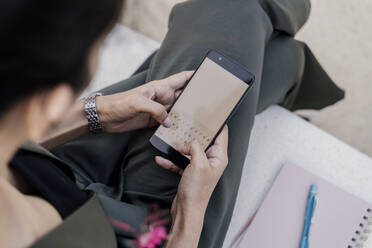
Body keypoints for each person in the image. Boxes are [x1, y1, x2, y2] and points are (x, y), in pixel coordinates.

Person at [0, 0, 344, 248]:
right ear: (49, 101)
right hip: (152, 232)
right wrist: (190, 217)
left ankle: (287, 69)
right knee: (235, 12)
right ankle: (289, 68)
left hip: (52, 164)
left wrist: (101, 111)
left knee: (217, 53)